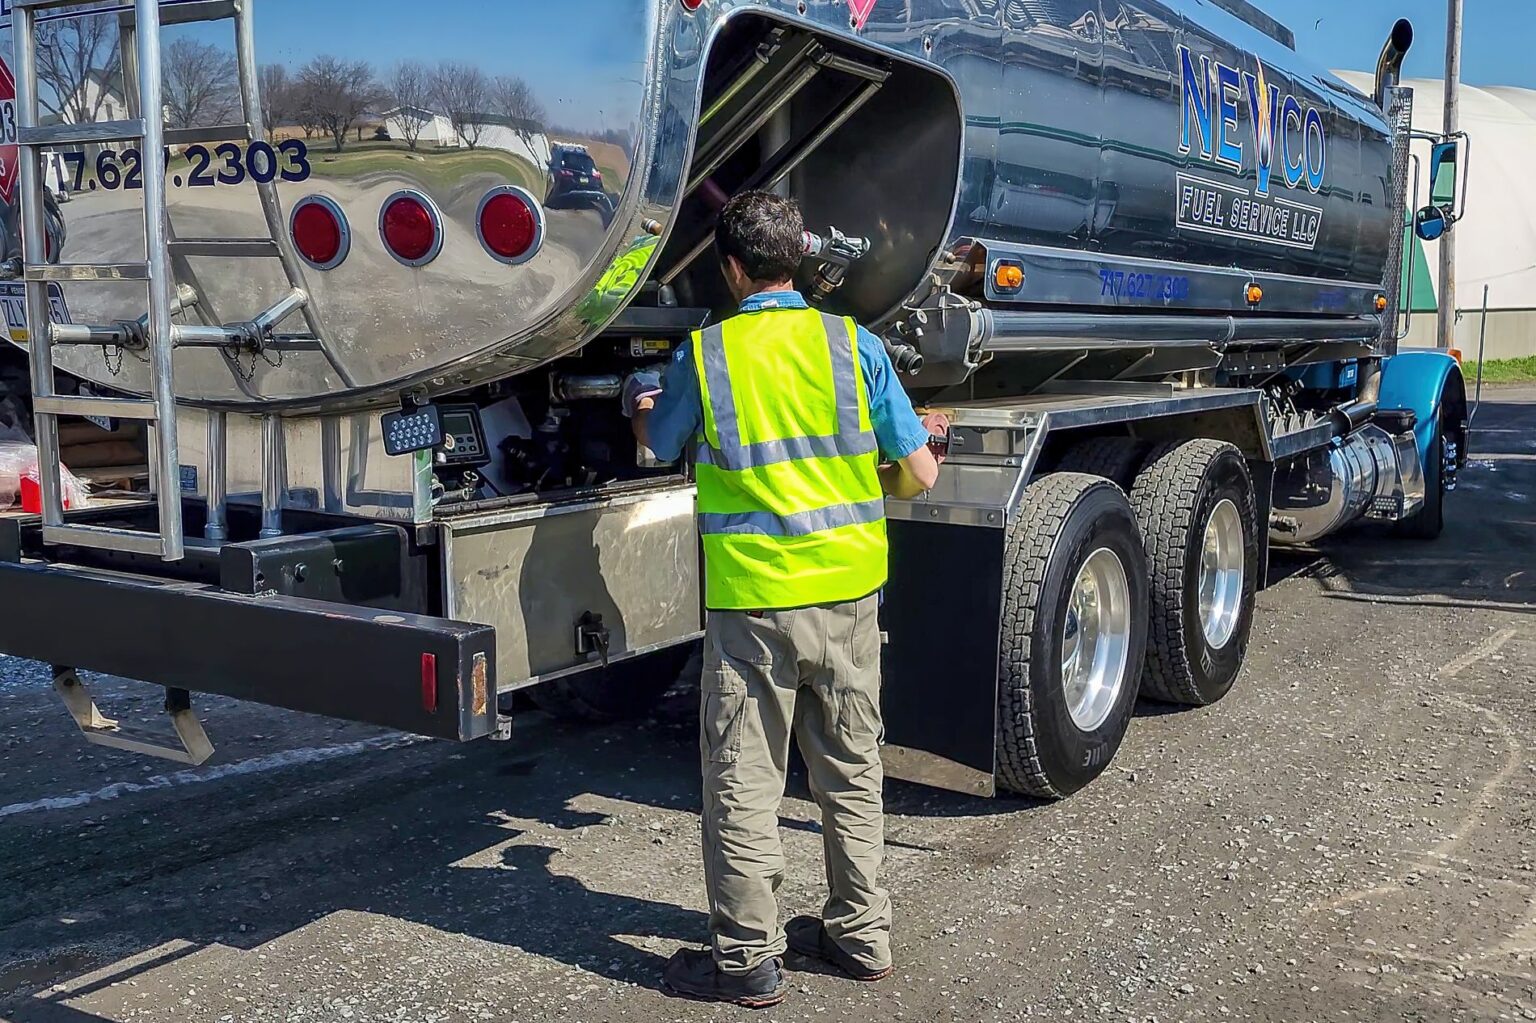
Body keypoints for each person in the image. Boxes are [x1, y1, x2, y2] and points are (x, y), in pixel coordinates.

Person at [625, 190, 942, 1008]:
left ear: (733, 270)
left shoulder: (707, 356)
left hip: (754, 605)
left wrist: (640, 405)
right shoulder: (855, 346)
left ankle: (746, 960)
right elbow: (919, 473)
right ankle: (861, 935)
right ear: (796, 261)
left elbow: (658, 447)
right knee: (850, 766)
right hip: (848, 598)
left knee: (744, 776)